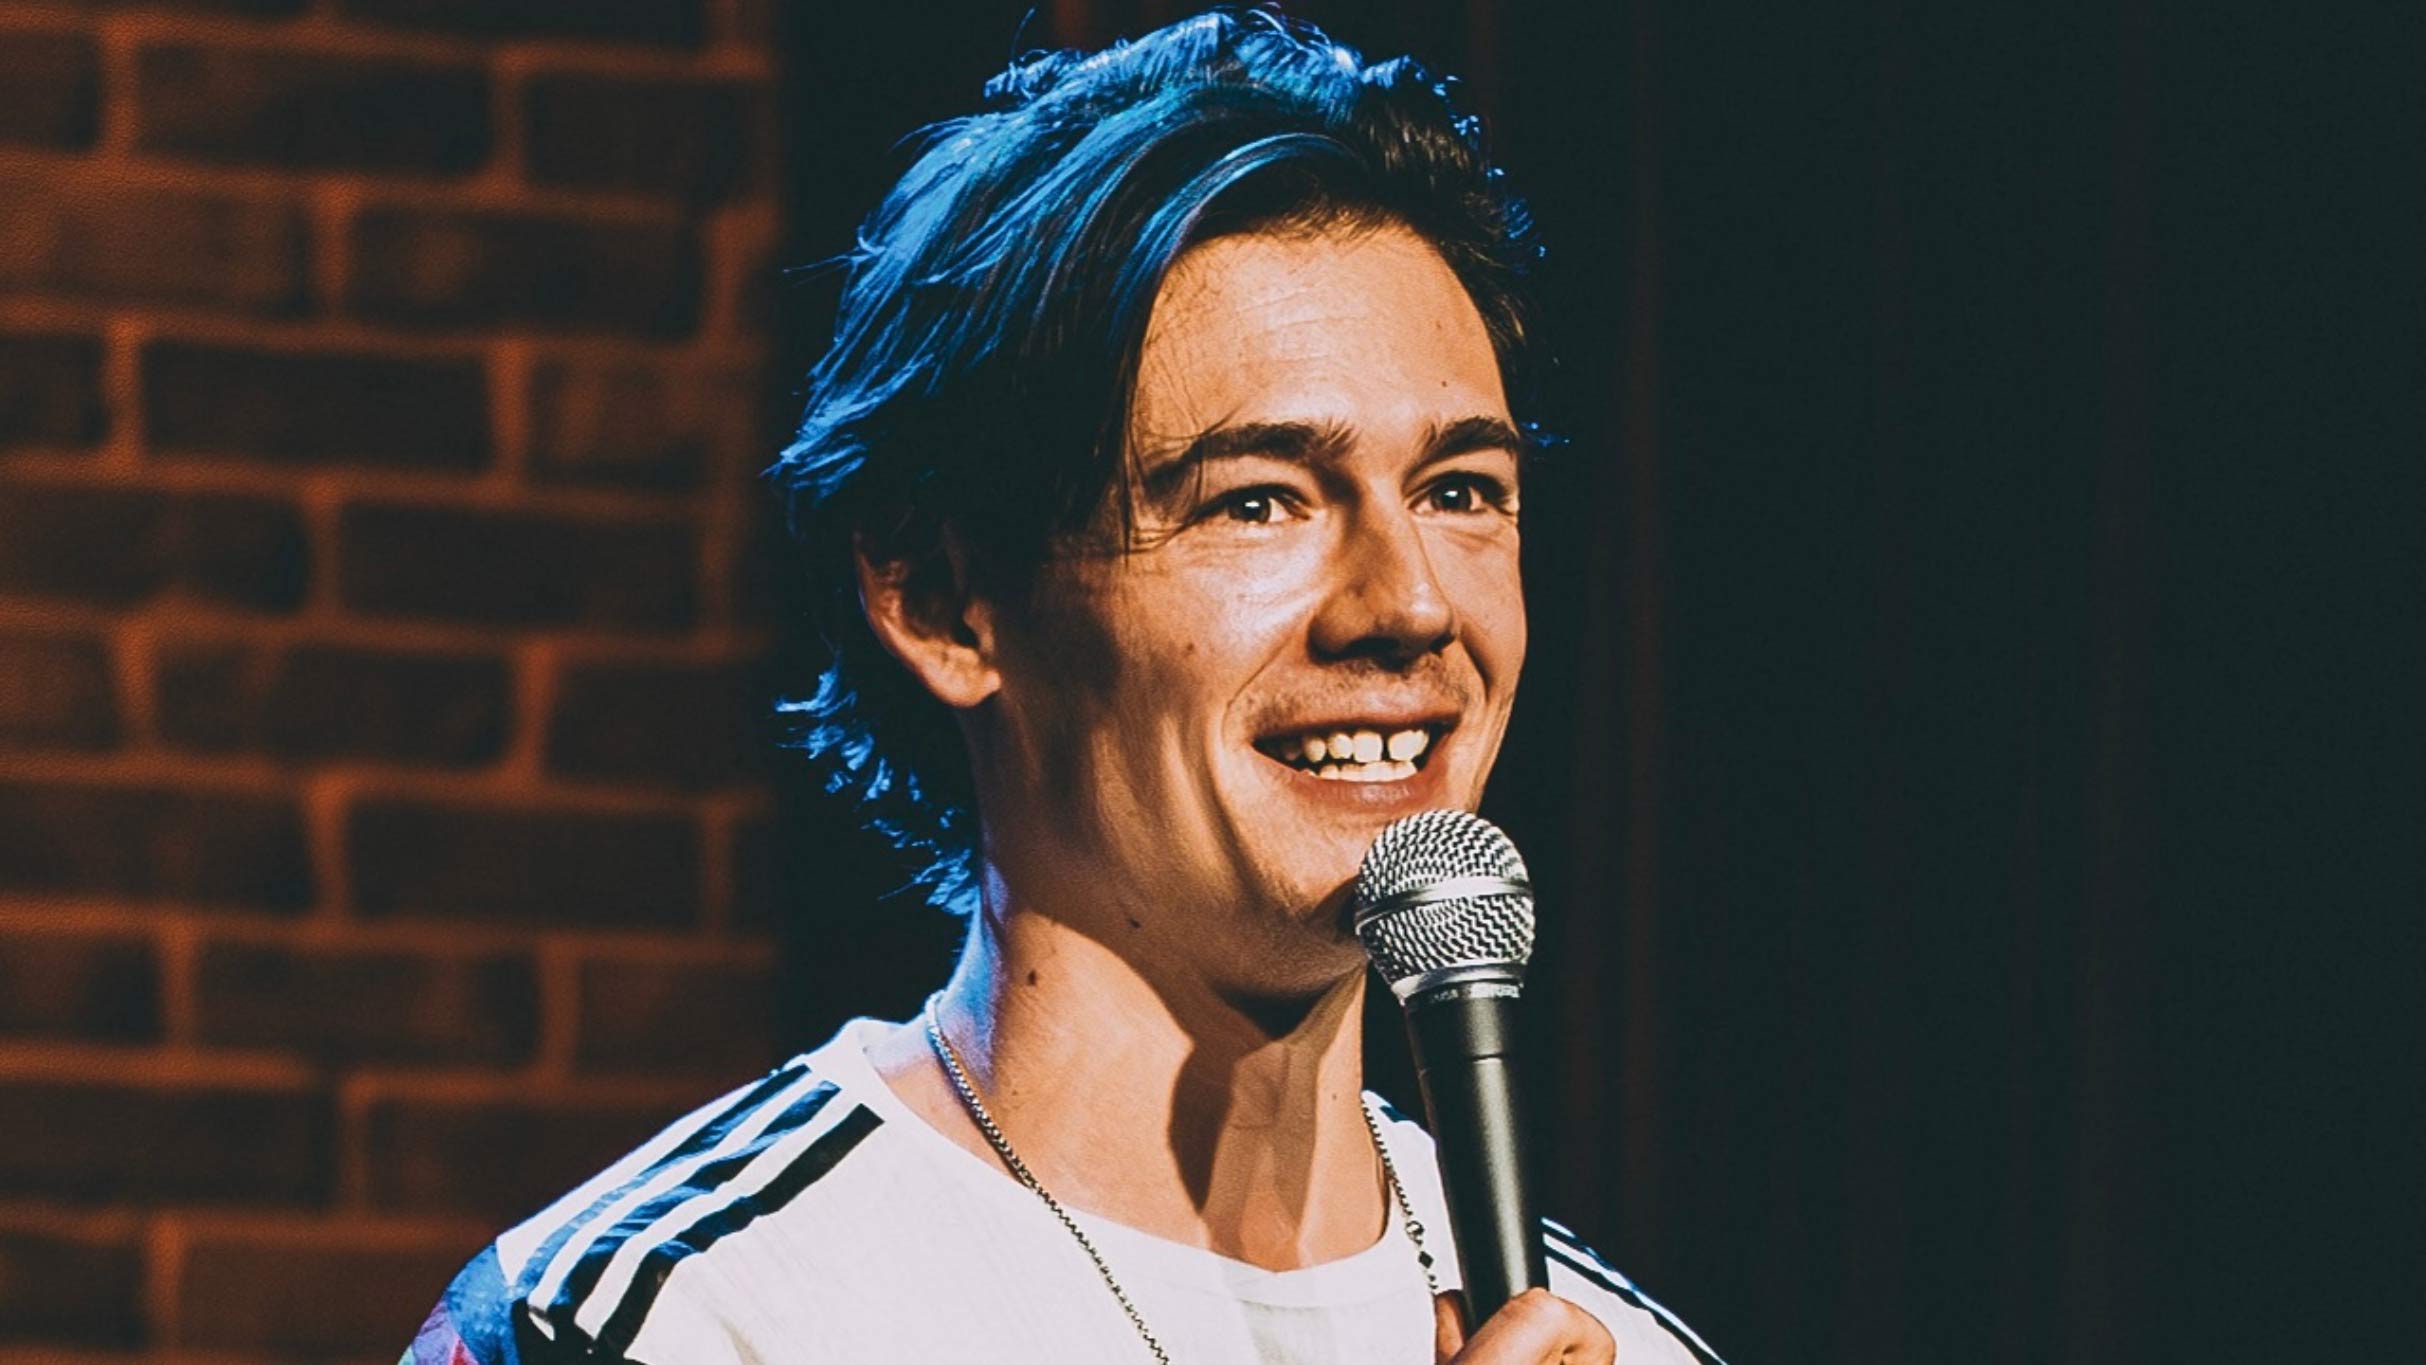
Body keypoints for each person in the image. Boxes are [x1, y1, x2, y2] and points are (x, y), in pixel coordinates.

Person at [408, 11, 1721, 1363]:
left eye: (1459, 491)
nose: (1410, 605)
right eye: (1257, 499)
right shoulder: (667, 1322)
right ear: (940, 601)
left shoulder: (1625, 1346)